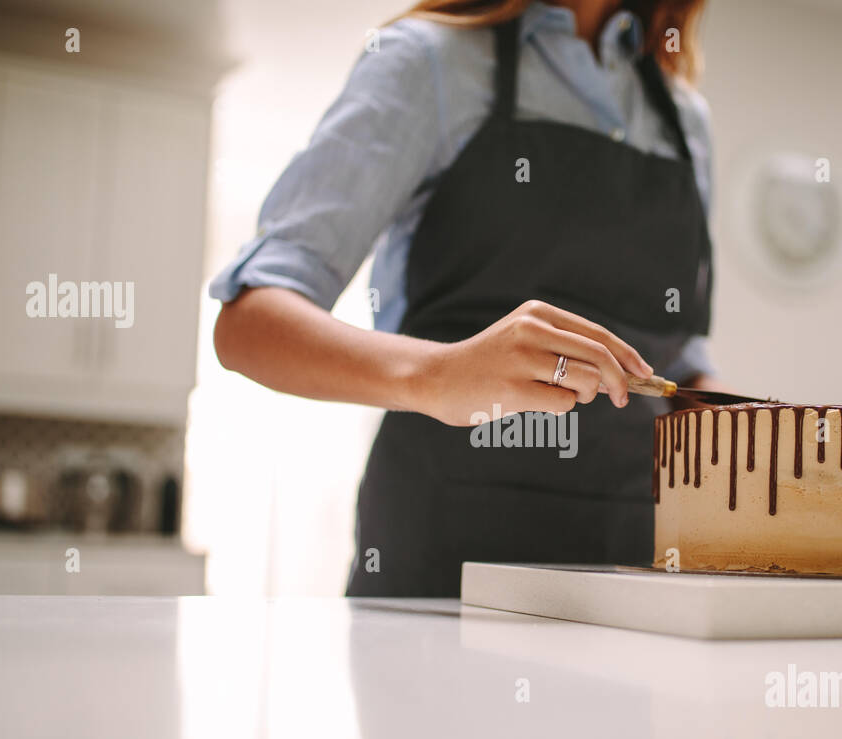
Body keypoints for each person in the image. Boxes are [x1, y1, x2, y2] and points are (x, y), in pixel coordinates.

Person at [211, 0, 718, 596]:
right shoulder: (428, 62)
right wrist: (435, 374)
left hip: (635, 564)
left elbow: (679, 364)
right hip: (444, 557)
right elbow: (247, 324)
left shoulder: (686, 121)